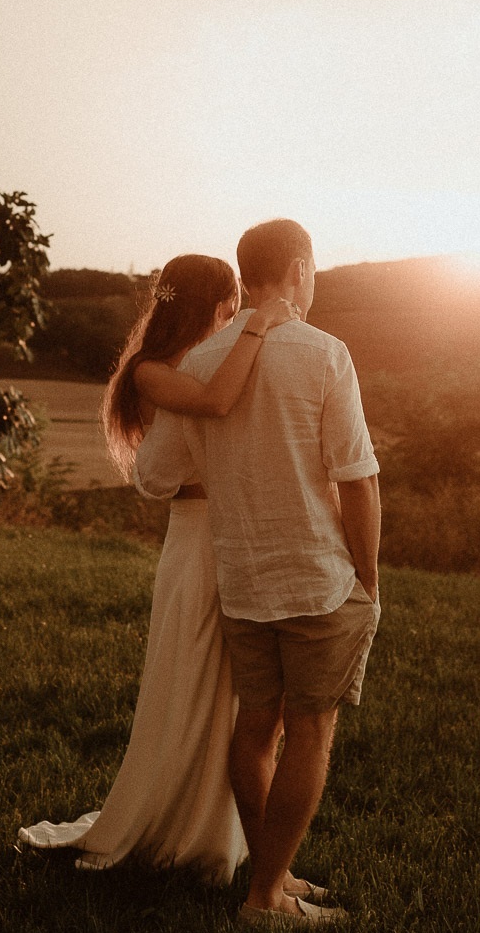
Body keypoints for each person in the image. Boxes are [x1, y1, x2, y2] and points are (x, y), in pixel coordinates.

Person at [15, 254, 298, 882]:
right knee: (190, 680)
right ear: (207, 303)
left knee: (226, 693)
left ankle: (215, 828)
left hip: (235, 538)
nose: (234, 311)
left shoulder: (208, 357)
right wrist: (260, 323)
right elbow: (217, 403)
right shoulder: (151, 372)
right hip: (197, 544)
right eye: (229, 300)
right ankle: (171, 827)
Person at [135, 220, 381, 925]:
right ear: (300, 268)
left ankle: (274, 873)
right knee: (311, 732)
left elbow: (168, 471)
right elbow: (357, 480)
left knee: (256, 728)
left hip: (240, 578)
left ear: (247, 274)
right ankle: (265, 899)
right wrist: (367, 573)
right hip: (312, 576)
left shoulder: (202, 359)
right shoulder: (326, 354)